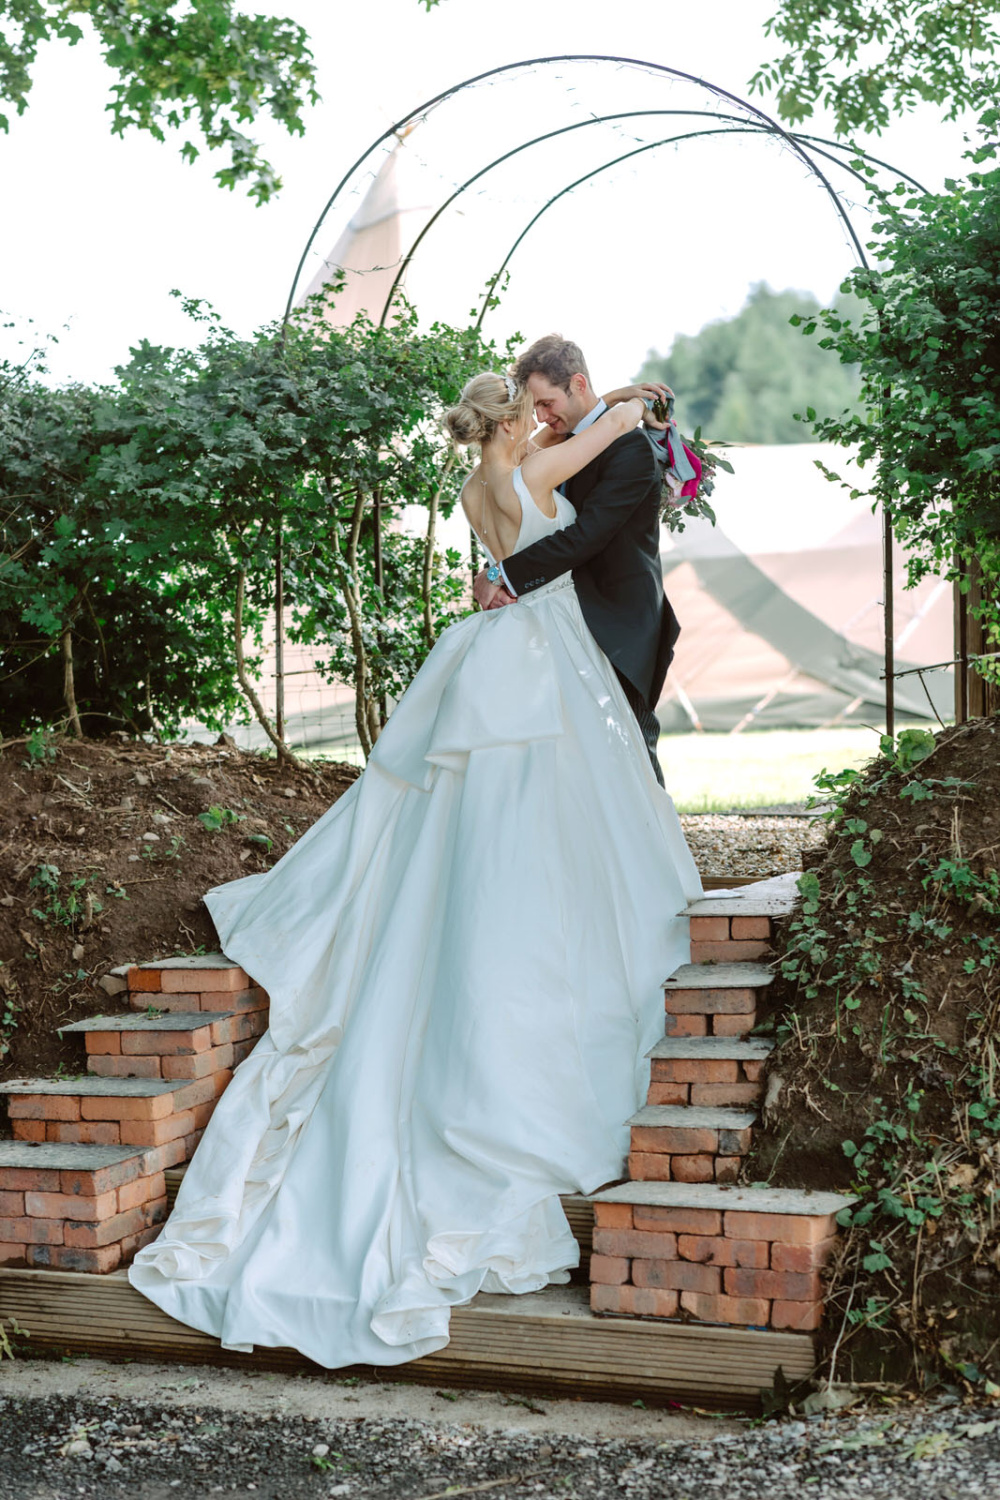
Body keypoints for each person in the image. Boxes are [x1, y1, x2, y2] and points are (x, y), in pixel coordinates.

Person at [129, 366, 702, 1370]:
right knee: (552, 817)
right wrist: (632, 399)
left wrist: (596, 405)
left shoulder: (477, 484)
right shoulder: (535, 460)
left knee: (454, 818)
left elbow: (543, 504)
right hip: (542, 659)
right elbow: (605, 439)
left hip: (490, 649)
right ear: (519, 414)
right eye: (532, 409)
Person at [475, 334, 680, 787]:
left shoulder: (631, 447)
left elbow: (586, 536)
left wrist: (501, 574)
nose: (542, 418)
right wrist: (621, 397)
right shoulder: (565, 441)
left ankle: (653, 850)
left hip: (619, 618)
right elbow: (586, 425)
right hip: (564, 618)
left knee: (631, 747)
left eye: (547, 403)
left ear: (578, 383)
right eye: (536, 408)